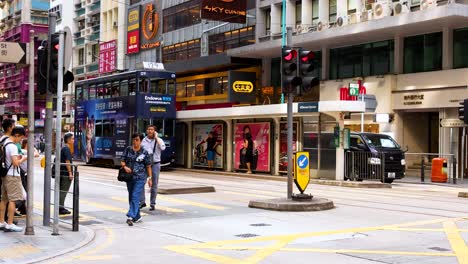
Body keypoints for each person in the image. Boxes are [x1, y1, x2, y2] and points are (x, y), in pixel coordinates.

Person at [0, 126, 27, 232]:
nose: (20, 140)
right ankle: (10, 223)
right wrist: (25, 158)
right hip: (13, 176)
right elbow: (16, 163)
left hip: (5, 175)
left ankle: (2, 221)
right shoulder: (13, 146)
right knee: (13, 200)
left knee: (4, 199)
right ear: (16, 135)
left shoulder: (5, 143)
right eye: (20, 138)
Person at [121, 133, 152, 226]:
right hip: (129, 177)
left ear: (141, 141)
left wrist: (150, 178)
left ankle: (130, 216)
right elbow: (122, 160)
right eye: (134, 140)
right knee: (131, 197)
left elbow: (148, 166)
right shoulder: (128, 149)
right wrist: (125, 167)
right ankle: (137, 216)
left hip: (140, 178)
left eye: (137, 140)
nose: (135, 142)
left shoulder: (144, 152)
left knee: (135, 196)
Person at [140, 125, 165, 211]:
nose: (150, 131)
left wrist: (157, 138)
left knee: (154, 184)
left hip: (155, 164)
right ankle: (142, 202)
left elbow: (163, 147)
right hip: (145, 165)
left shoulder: (159, 140)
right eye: (148, 129)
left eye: (152, 129)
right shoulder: (143, 140)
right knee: (141, 182)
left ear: (155, 131)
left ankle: (152, 203)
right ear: (146, 131)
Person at [17, 139, 40, 215]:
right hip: (22, 174)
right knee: (25, 193)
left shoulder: (24, 151)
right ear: (27, 144)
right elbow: (37, 154)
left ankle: (22, 208)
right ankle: (19, 207)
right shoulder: (24, 151)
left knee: (26, 191)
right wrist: (34, 148)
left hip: (25, 174)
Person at [0, 119, 16, 220]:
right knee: (12, 198)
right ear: (10, 128)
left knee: (4, 198)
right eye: (14, 126)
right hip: (9, 171)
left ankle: (3, 220)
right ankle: (8, 220)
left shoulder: (1, 139)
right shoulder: (8, 140)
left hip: (3, 170)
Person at [59, 133, 74, 215]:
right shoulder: (66, 149)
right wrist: (70, 173)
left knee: (62, 190)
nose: (73, 140)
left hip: (62, 172)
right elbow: (67, 161)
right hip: (65, 173)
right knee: (63, 191)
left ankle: (60, 206)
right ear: (68, 140)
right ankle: (60, 208)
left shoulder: (64, 148)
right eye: (72, 139)